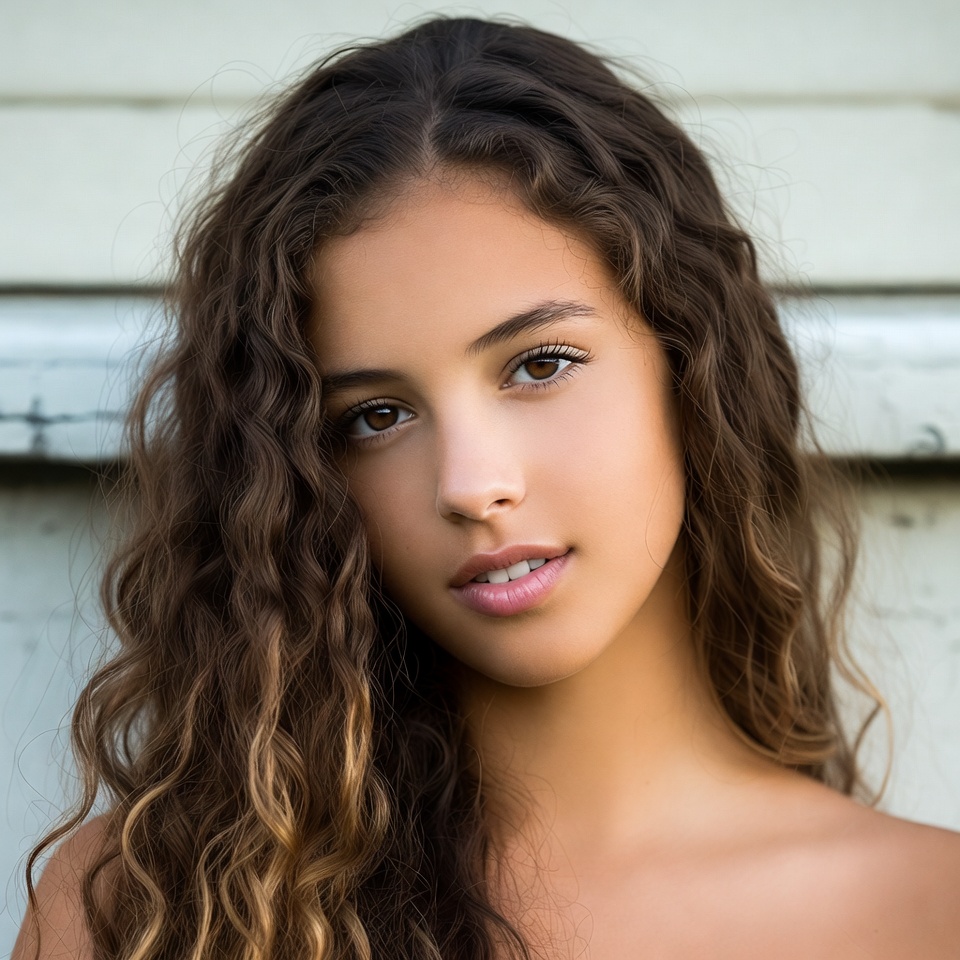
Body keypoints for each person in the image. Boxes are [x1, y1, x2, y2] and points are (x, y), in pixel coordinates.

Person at [13, 16, 960, 960]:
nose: (471, 486)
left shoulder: (927, 913)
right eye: (376, 417)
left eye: (539, 364)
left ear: (691, 364)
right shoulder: (147, 911)